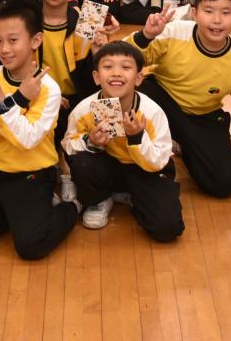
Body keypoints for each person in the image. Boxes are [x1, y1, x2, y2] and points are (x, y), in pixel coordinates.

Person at [0, 1, 80, 260]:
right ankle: (17, 214)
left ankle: (71, 208)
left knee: (31, 246)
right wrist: (18, 99)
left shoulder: (48, 88)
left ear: (36, 40)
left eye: (13, 40)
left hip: (32, 173)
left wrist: (3, 101)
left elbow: (28, 138)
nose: (4, 49)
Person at [129, 0, 231, 198]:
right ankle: (153, 141)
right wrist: (146, 35)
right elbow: (126, 61)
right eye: (208, 11)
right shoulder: (174, 31)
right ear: (194, 13)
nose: (217, 20)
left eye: (225, 13)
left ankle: (182, 145)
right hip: (161, 102)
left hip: (202, 117)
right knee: (130, 87)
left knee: (224, 183)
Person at [63, 41, 184, 240]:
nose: (116, 73)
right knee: (81, 162)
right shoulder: (85, 109)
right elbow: (68, 144)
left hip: (144, 170)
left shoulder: (152, 112)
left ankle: (136, 197)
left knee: (167, 228)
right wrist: (90, 140)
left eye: (126, 67)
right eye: (108, 67)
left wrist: (136, 137)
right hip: (106, 167)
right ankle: (99, 199)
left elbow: (160, 160)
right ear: (96, 77)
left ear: (138, 78)